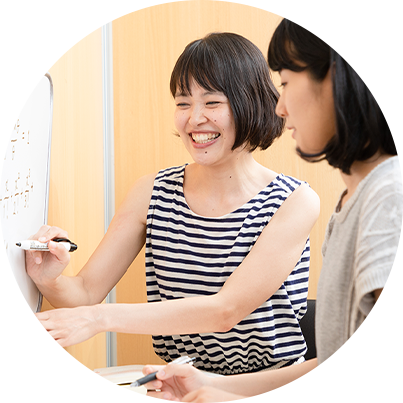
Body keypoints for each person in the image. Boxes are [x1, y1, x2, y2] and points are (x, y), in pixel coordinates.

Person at [137, 0, 403, 401]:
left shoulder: (390, 198)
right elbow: (341, 367)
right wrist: (213, 385)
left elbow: (396, 390)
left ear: (336, 81)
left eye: (286, 83)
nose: (279, 106)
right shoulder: (357, 200)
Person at [15, 32, 319, 375]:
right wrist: (50, 280)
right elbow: (84, 293)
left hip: (269, 389)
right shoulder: (152, 192)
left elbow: (226, 311)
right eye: (183, 103)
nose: (194, 118)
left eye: (212, 102)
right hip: (182, 385)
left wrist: (100, 319)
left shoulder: (293, 201)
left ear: (250, 103)